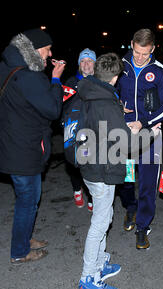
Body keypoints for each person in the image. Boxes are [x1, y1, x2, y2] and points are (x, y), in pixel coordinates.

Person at [76, 52, 161, 289]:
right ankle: (88, 278)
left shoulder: (91, 90)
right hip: (102, 167)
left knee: (106, 215)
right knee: (100, 223)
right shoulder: (106, 102)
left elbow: (103, 128)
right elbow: (127, 146)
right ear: (115, 77)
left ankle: (100, 264)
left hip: (89, 163)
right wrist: (150, 134)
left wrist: (120, 120)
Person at [0, 28, 66, 264]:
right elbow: (53, 110)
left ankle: (24, 239)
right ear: (34, 49)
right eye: (47, 49)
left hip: (10, 143)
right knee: (28, 199)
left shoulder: (5, 66)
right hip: (24, 149)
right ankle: (19, 251)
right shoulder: (28, 76)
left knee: (27, 198)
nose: (50, 53)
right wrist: (55, 79)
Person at [117, 28, 163, 250]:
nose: (140, 58)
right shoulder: (121, 65)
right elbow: (108, 90)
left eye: (145, 54)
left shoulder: (160, 71)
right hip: (122, 132)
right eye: (137, 52)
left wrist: (145, 122)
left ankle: (143, 226)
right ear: (131, 44)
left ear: (153, 49)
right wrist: (117, 107)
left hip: (151, 134)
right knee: (125, 178)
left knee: (148, 183)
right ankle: (131, 208)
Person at [64, 48, 96, 212]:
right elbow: (63, 104)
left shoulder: (99, 81)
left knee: (91, 163)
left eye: (89, 61)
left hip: (93, 130)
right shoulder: (71, 82)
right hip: (74, 128)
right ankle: (77, 189)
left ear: (95, 64)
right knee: (74, 162)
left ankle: (91, 196)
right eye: (83, 61)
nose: (86, 64)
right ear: (79, 64)